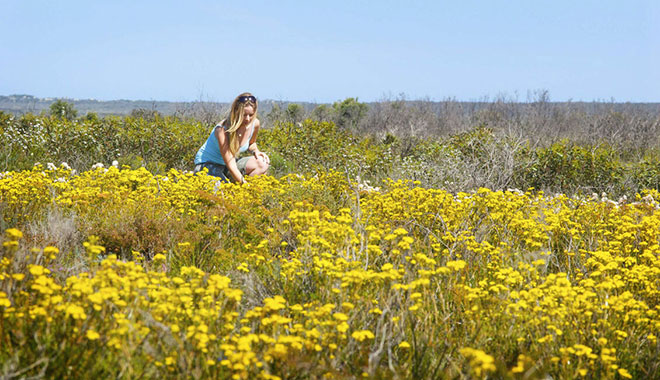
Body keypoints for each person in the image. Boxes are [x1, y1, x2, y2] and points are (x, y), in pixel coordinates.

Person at [194, 93, 270, 183]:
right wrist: (244, 185)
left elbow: (251, 143)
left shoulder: (255, 124)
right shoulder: (222, 130)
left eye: (251, 115)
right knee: (223, 193)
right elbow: (230, 163)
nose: (248, 119)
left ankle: (252, 193)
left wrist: (256, 151)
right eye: (244, 115)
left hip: (229, 165)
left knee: (262, 162)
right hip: (209, 164)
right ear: (236, 112)